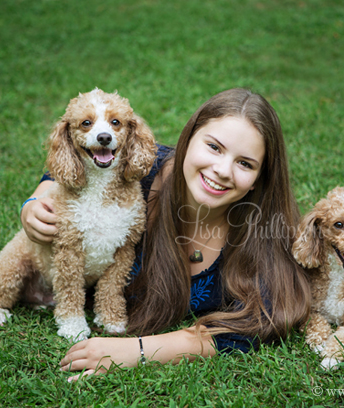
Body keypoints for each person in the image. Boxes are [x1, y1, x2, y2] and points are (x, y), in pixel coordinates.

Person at [21, 88, 311, 381]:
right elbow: (69, 161)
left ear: (258, 180)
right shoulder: (138, 168)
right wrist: (33, 204)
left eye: (245, 163)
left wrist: (139, 351)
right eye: (214, 147)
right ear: (188, 139)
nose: (223, 170)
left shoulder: (263, 229)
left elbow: (263, 318)